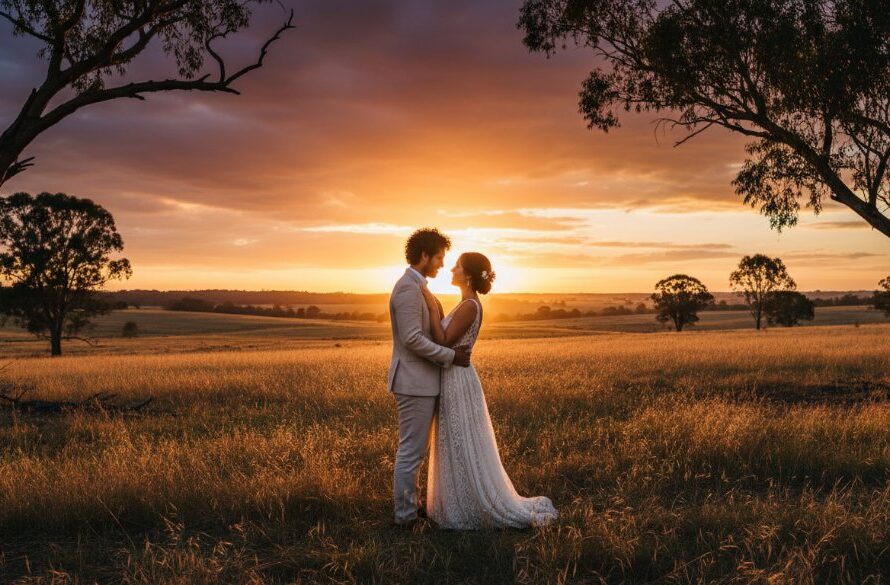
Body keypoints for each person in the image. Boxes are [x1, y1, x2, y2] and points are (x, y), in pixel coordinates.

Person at [421, 252, 558, 529]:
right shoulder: (465, 304)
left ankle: (471, 502)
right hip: (453, 376)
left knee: (462, 440)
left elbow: (443, 338)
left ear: (468, 275)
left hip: (458, 378)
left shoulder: (470, 306)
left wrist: (432, 307)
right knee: (455, 440)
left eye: (457, 266)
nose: (451, 269)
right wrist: (435, 304)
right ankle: (456, 498)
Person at [387, 228, 471, 527]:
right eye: (438, 258)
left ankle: (415, 506)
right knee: (411, 452)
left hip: (423, 381)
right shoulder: (408, 288)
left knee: (417, 451)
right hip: (413, 382)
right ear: (424, 255)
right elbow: (411, 338)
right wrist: (450, 357)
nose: (441, 264)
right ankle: (405, 518)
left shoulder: (418, 285)